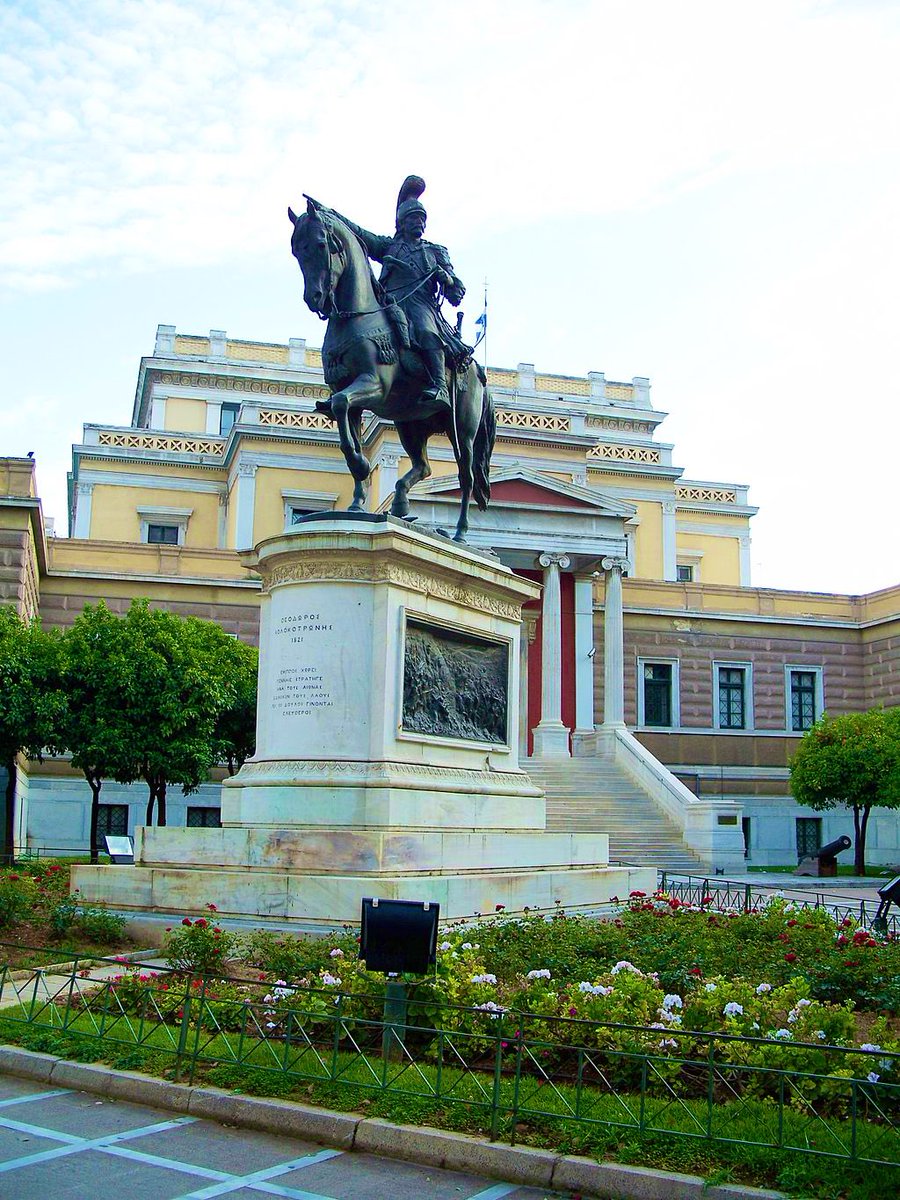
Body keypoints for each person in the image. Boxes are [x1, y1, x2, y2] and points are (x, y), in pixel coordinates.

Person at [326, 176, 466, 407]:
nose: (419, 222)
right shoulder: (389, 246)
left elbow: (456, 293)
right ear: (402, 222)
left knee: (425, 330)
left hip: (420, 305)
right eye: (413, 218)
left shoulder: (436, 251)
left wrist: (447, 279)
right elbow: (360, 234)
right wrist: (333, 216)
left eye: (422, 219)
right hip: (389, 302)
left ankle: (440, 385)